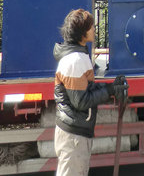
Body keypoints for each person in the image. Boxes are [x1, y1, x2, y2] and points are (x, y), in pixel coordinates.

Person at [53, 9, 128, 176]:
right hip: (74, 135)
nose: (94, 29)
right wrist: (109, 91)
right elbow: (80, 101)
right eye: (91, 26)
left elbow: (86, 89)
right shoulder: (75, 60)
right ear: (82, 32)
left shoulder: (78, 55)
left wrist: (110, 88)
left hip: (75, 131)